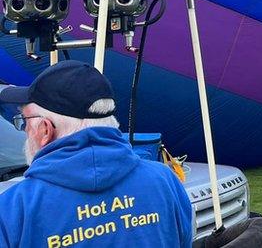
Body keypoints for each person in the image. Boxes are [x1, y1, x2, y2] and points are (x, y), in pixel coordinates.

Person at [0, 60, 193, 247]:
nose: (25, 130)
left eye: (24, 121)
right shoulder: (165, 181)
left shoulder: (13, 209)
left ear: (45, 129)